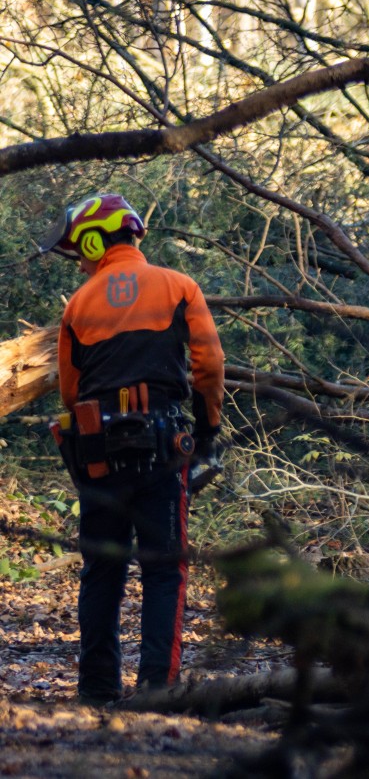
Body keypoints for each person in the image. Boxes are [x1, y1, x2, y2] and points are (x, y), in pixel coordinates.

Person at [39, 193, 225, 706]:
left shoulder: (79, 305)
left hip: (96, 447)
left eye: (80, 249)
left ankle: (97, 688)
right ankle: (156, 688)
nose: (79, 259)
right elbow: (209, 368)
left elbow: (72, 394)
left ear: (96, 241)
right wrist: (208, 432)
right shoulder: (179, 286)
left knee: (102, 566)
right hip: (162, 444)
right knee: (164, 566)